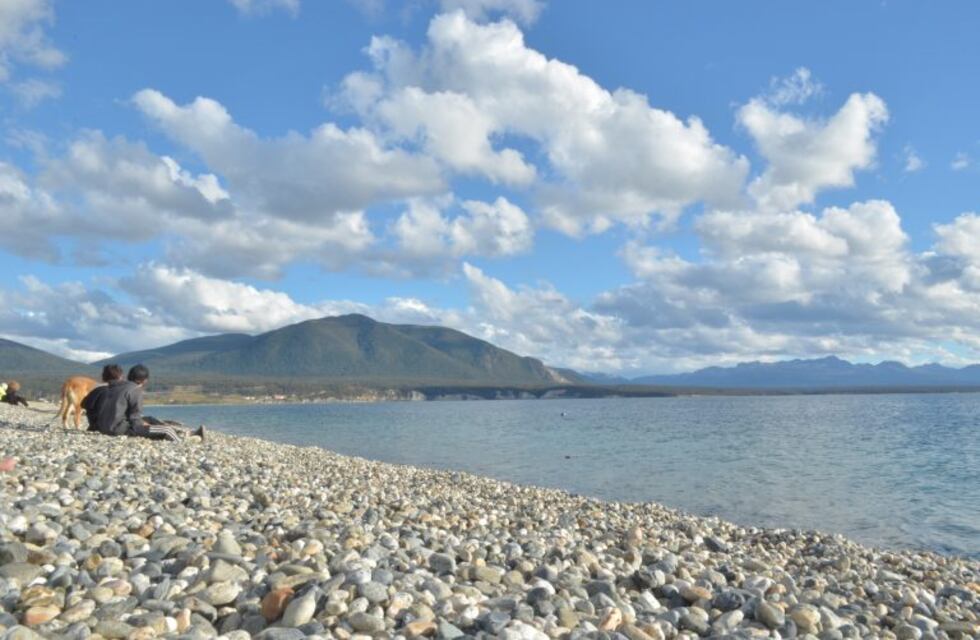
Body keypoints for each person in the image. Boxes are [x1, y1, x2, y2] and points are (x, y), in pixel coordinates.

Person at [87, 364, 204, 442]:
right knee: (166, 430)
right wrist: (145, 428)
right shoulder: (134, 390)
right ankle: (182, 441)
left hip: (103, 426)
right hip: (117, 429)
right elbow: (135, 419)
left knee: (150, 418)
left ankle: (185, 432)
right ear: (145, 380)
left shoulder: (113, 387)